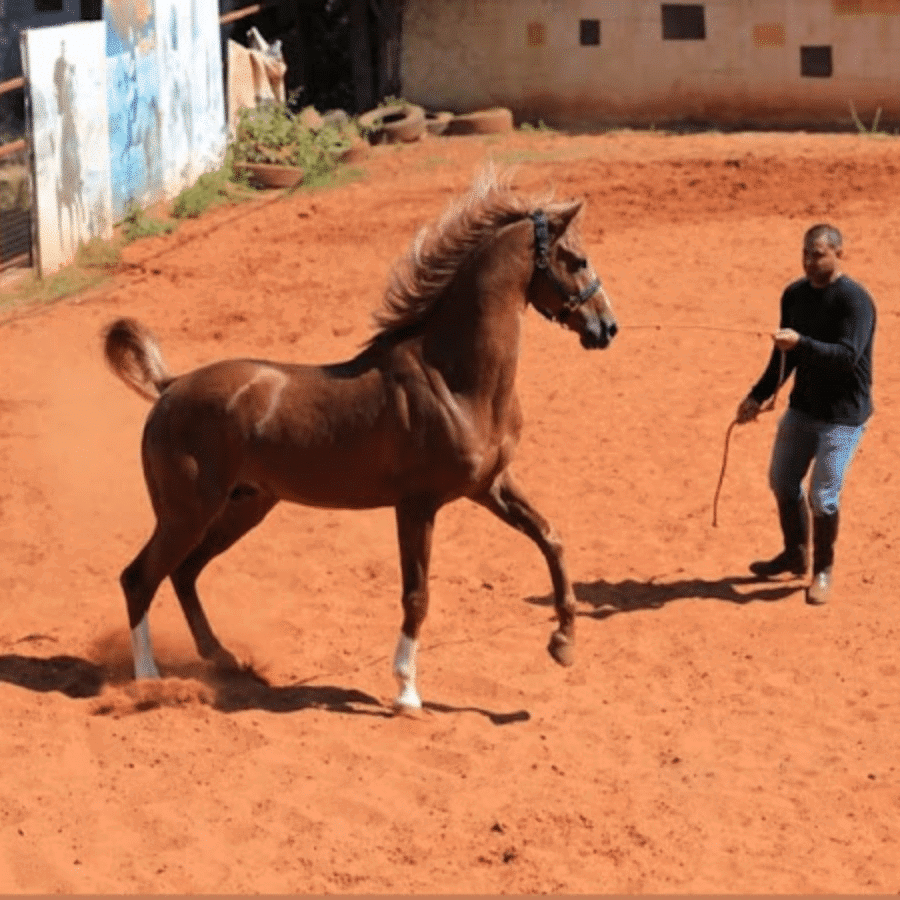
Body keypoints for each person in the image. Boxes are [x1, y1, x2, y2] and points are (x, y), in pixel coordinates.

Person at [735, 223, 876, 605]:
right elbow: (786, 358)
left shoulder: (855, 302)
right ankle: (796, 553)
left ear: (838, 254)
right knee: (782, 481)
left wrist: (801, 342)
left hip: (844, 417)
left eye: (817, 253)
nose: (809, 261)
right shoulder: (794, 295)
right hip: (804, 409)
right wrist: (757, 396)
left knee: (823, 497)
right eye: (805, 253)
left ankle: (822, 571)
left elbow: (847, 358)